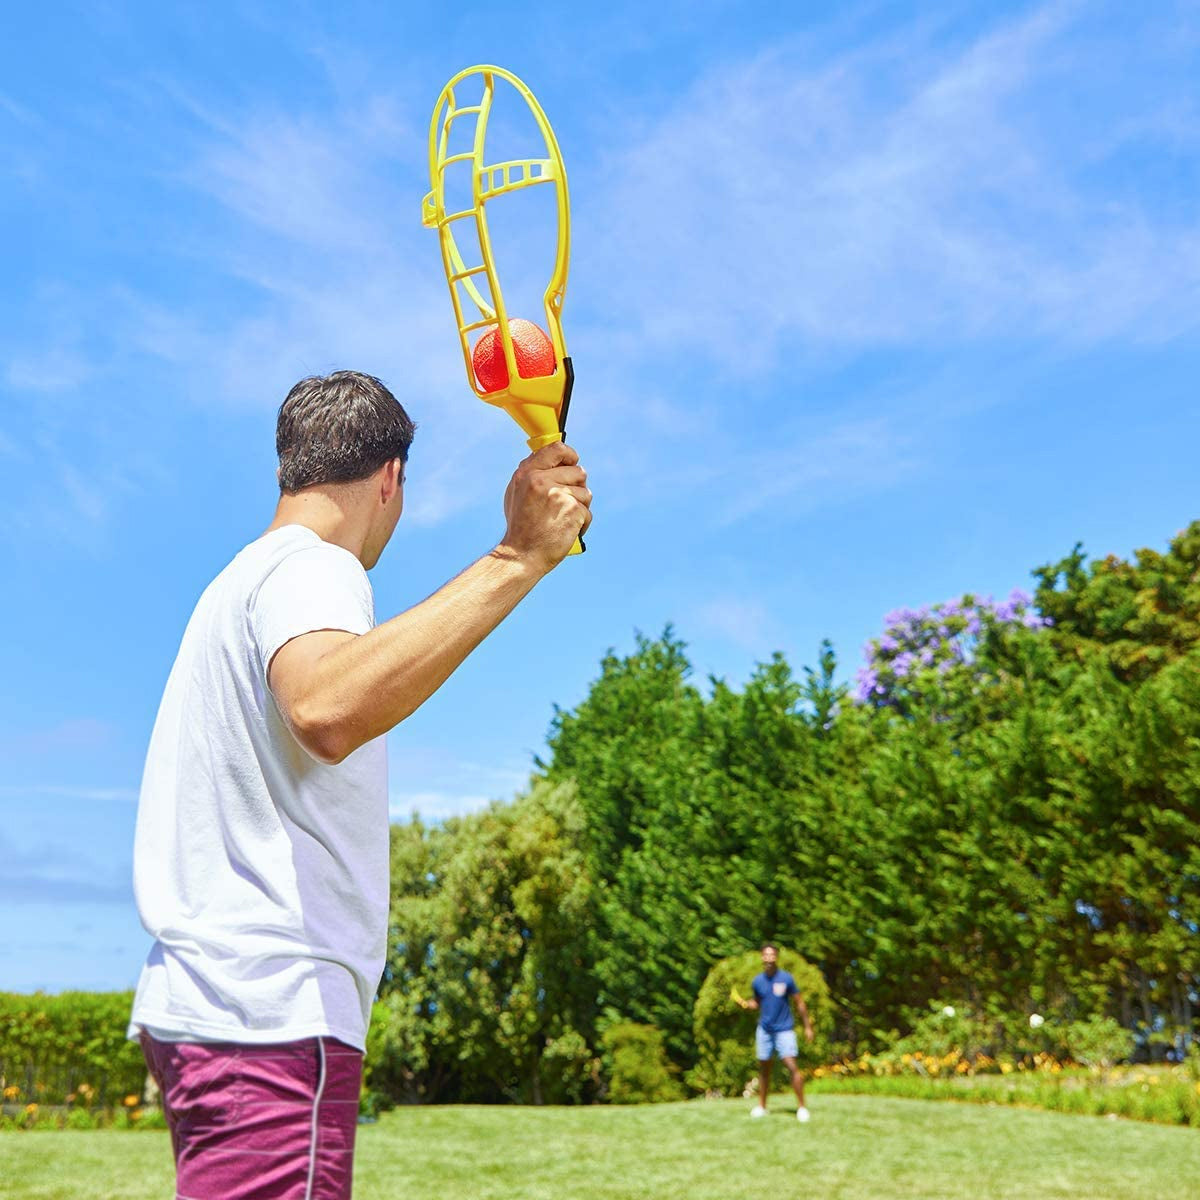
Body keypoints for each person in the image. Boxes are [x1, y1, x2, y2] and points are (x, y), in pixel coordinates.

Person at [126, 370, 592, 1199]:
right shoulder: (314, 569)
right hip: (272, 1015)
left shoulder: (241, 581)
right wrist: (518, 557)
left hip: (222, 1011)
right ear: (390, 478)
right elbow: (324, 706)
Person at [738, 943, 815, 1121]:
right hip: (764, 1030)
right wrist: (747, 1004)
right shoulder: (757, 981)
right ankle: (762, 1107)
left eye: (772, 955)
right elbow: (757, 1002)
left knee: (792, 1066)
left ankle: (802, 1108)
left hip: (784, 1030)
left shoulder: (786, 978)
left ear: (776, 957)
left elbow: (799, 1002)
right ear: (762, 957)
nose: (769, 958)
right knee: (764, 1069)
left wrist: (807, 1026)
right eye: (766, 955)